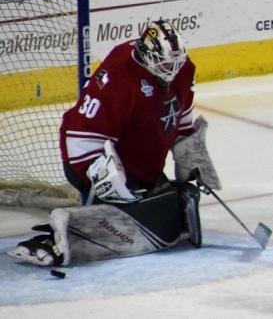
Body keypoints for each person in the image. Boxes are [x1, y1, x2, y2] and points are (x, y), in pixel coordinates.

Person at [7, 20, 221, 267]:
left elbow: (181, 116)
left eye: (176, 61)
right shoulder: (120, 75)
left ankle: (110, 216)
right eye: (164, 62)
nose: (171, 68)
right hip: (94, 161)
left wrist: (190, 155)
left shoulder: (183, 69)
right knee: (147, 221)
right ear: (146, 55)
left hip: (142, 163)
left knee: (166, 212)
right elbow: (80, 131)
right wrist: (100, 174)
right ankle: (57, 237)